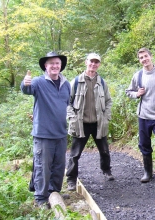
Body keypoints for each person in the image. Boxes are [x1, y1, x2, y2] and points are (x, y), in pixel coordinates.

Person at [21, 51, 71, 208]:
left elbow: (68, 105)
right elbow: (26, 89)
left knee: (58, 166)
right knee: (43, 167)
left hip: (61, 133)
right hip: (43, 134)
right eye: (51, 63)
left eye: (57, 63)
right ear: (45, 66)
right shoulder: (38, 82)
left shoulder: (66, 84)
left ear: (61, 65)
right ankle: (41, 198)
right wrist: (25, 83)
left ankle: (54, 192)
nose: (55, 66)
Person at [125, 48, 155, 185]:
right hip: (143, 115)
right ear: (139, 60)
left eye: (146, 56)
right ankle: (148, 172)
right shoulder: (138, 76)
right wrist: (137, 94)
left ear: (151, 56)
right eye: (141, 58)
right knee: (144, 144)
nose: (144, 59)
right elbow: (128, 91)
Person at [66, 53, 113, 191]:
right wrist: (72, 117)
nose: (93, 64)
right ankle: (71, 179)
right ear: (86, 62)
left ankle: (106, 171)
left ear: (99, 64)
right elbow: (66, 102)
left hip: (98, 123)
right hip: (81, 124)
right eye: (91, 62)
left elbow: (108, 101)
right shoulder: (75, 81)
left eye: (96, 62)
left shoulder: (102, 82)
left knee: (104, 151)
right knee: (75, 154)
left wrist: (106, 117)